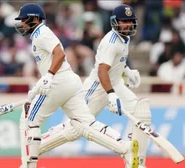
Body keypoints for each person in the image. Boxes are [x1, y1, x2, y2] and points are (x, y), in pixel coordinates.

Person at [14, 3, 138, 168]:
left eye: (24, 19)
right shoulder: (39, 35)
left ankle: (28, 165)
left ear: (35, 19)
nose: (21, 23)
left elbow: (59, 54)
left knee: (29, 119)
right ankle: (124, 147)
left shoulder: (41, 33)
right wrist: (38, 86)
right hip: (70, 82)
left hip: (59, 81)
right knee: (84, 124)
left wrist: (49, 77)